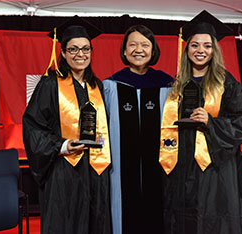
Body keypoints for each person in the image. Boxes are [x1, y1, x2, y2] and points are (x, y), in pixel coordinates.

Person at [159, 10, 242, 234]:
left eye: (207, 46)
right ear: (187, 49)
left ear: (214, 50)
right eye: (195, 45)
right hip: (182, 166)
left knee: (212, 221)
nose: (200, 51)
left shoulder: (226, 82)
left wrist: (211, 122)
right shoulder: (177, 84)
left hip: (215, 168)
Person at [23, 16, 112, 234]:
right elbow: (32, 126)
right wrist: (63, 146)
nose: (80, 55)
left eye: (85, 49)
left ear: (91, 52)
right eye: (73, 49)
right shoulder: (50, 84)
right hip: (64, 170)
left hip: (95, 170)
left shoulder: (97, 86)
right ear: (62, 52)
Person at [103, 25, 174, 234]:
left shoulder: (167, 85)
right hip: (121, 169)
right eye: (132, 45)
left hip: (161, 168)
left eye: (145, 44)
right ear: (124, 51)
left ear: (153, 51)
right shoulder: (111, 85)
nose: (138, 49)